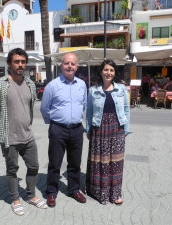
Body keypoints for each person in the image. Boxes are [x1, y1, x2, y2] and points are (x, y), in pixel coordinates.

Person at [0, 48, 47, 216]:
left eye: (22, 62)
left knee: (34, 166)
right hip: (9, 138)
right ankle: (15, 199)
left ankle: (31, 196)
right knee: (12, 170)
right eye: (16, 61)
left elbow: (29, 107)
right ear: (9, 64)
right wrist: (3, 126)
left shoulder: (30, 84)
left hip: (27, 135)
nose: (20, 65)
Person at [40, 53, 87, 208]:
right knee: (55, 163)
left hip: (77, 130)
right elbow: (44, 108)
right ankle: (51, 192)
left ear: (77, 67)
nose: (69, 66)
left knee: (75, 163)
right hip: (58, 129)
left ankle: (74, 189)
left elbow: (84, 105)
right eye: (66, 63)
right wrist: (53, 124)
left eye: (73, 64)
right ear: (61, 66)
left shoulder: (82, 85)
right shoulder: (52, 85)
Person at [85, 59, 130, 205]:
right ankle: (100, 192)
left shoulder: (122, 89)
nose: (108, 72)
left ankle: (115, 193)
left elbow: (126, 109)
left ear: (115, 73)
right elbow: (89, 112)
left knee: (116, 161)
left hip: (117, 128)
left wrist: (126, 129)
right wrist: (88, 129)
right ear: (101, 72)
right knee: (100, 160)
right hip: (99, 127)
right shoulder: (93, 90)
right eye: (106, 69)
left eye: (111, 70)